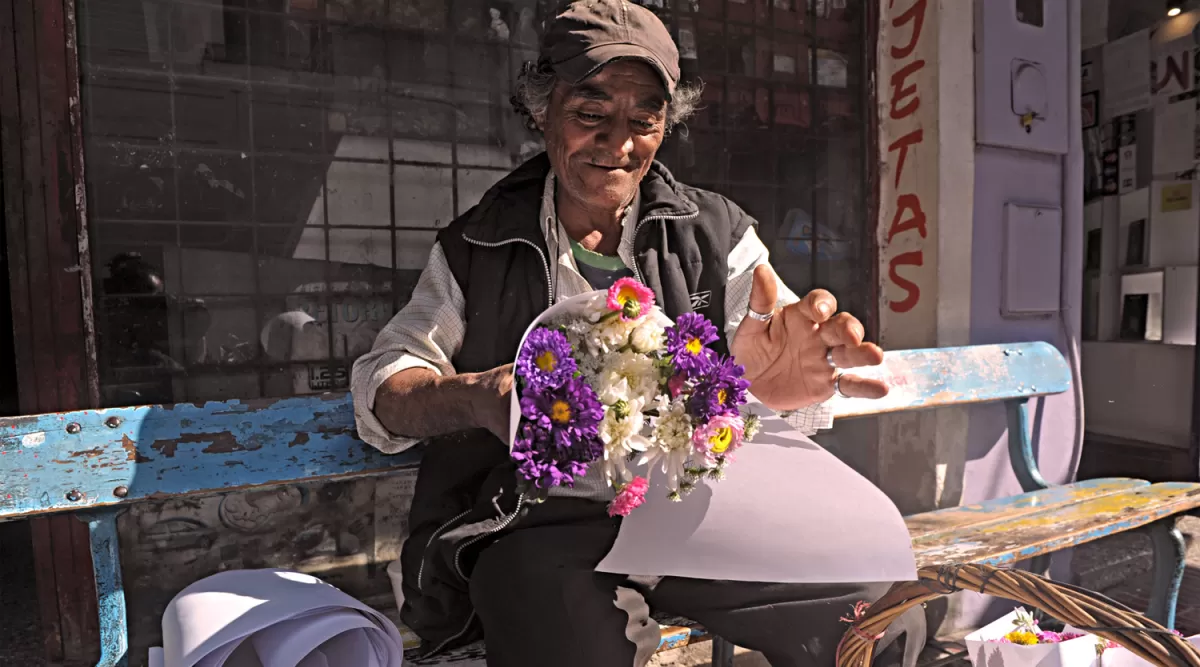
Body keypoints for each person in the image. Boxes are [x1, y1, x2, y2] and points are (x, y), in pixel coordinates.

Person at [351, 1, 891, 664]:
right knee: (565, 631)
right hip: (536, 525)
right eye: (590, 113)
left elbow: (772, 359)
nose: (620, 144)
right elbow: (386, 389)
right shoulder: (479, 244)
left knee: (870, 598)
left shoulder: (713, 233)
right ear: (541, 108)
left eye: (644, 119)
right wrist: (478, 397)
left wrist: (775, 391)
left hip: (692, 510)